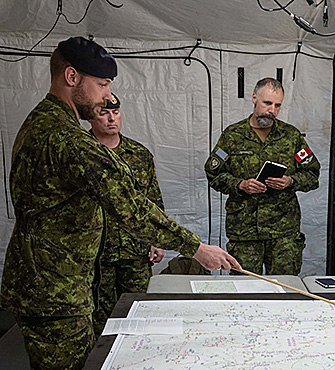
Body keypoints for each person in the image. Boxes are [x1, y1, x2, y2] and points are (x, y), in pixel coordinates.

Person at [0, 37, 240, 370]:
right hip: (57, 294)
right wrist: (197, 248)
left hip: (42, 282)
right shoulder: (67, 139)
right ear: (72, 77)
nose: (107, 98)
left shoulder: (38, 123)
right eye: (101, 85)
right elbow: (132, 207)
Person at [205, 77, 320, 275]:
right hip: (245, 232)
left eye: (277, 106)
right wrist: (240, 185)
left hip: (283, 232)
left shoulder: (291, 137)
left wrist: (290, 181)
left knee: (285, 289)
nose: (272, 110)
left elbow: (312, 173)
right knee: (245, 290)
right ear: (254, 98)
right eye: (267, 103)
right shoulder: (232, 136)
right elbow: (213, 173)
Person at [87, 93, 167, 336]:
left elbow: (153, 200)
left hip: (134, 251)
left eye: (116, 112)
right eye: (104, 113)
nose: (111, 119)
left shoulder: (139, 155)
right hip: (96, 253)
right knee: (98, 317)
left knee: (138, 311)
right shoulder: (81, 152)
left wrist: (158, 239)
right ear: (91, 117)